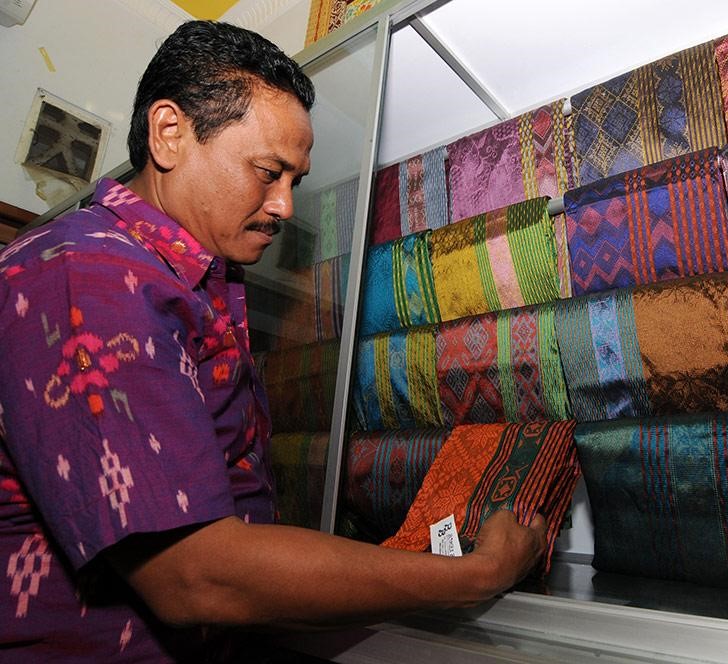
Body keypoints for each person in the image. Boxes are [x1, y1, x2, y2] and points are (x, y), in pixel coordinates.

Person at [0, 20, 546, 662]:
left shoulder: (188, 283)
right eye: (267, 172)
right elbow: (194, 575)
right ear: (169, 133)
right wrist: (473, 576)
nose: (285, 206)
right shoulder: (88, 274)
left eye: (294, 181)